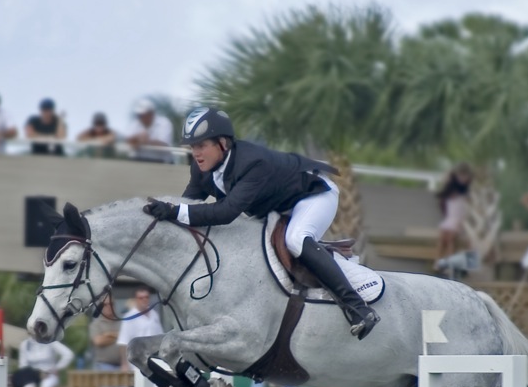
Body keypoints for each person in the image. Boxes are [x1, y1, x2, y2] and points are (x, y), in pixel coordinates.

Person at [144, 107, 379, 339]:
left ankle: (358, 308)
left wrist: (174, 211)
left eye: (201, 145)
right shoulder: (200, 167)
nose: (195, 152)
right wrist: (161, 215)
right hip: (274, 205)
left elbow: (226, 212)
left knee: (296, 239)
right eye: (193, 146)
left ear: (223, 143)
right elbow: (188, 203)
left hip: (314, 194)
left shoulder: (251, 162)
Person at [89, 295, 127, 387]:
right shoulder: (96, 323)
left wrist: (108, 335)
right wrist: (116, 335)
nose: (109, 307)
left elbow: (125, 340)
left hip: (121, 366)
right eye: (105, 305)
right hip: (104, 366)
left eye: (111, 304)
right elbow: (98, 341)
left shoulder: (120, 322)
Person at [434, 162, 474, 271]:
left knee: (450, 238)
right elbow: (444, 180)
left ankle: (449, 264)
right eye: (460, 175)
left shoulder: (467, 190)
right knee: (442, 237)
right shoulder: (451, 187)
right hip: (451, 218)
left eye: (465, 176)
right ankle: (438, 262)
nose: (463, 178)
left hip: (460, 220)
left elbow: (465, 211)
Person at [116, 287, 165, 370]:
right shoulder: (129, 317)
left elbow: (161, 338)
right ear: (136, 299)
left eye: (146, 297)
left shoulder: (154, 315)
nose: (144, 300)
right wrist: (124, 365)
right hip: (136, 363)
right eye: (141, 298)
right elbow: (123, 343)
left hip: (155, 361)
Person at [125, 99, 173, 163]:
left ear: (151, 114)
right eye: (139, 115)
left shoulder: (164, 123)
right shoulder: (135, 124)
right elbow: (128, 141)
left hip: (161, 162)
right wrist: (138, 138)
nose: (140, 117)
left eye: (143, 115)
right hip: (138, 160)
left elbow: (164, 143)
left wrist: (147, 140)